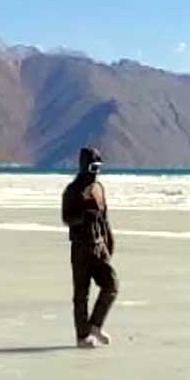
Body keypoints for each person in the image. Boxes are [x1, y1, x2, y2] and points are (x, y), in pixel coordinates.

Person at [61, 147, 118, 349]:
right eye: (93, 167)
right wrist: (84, 215)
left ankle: (95, 326)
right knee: (81, 295)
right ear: (84, 166)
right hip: (81, 248)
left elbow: (105, 218)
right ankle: (82, 336)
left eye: (99, 167)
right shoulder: (73, 190)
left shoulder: (99, 188)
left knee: (111, 286)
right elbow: (66, 218)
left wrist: (109, 242)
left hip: (99, 246)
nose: (96, 172)